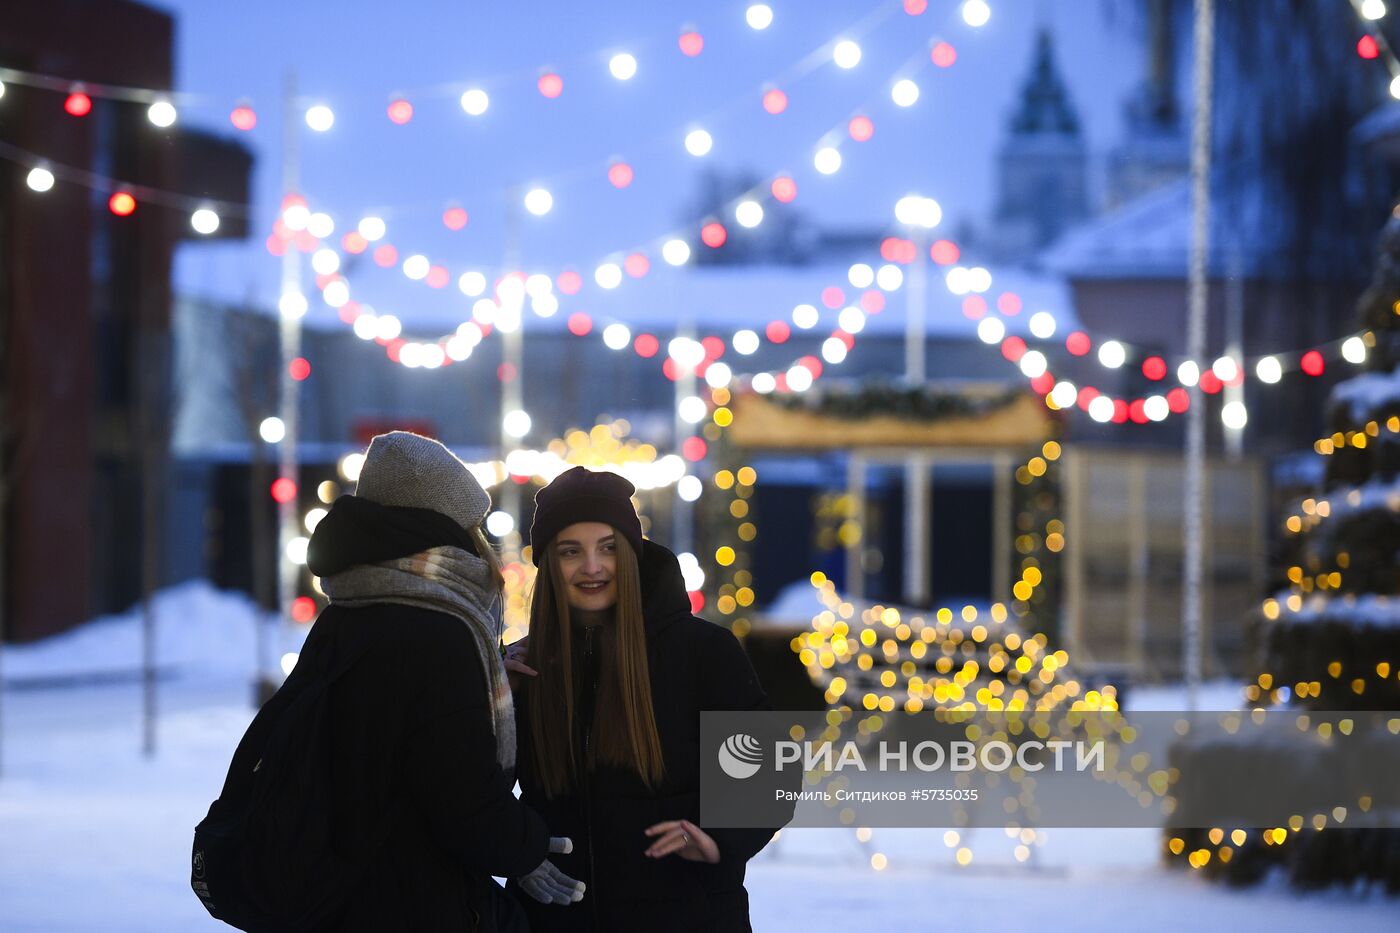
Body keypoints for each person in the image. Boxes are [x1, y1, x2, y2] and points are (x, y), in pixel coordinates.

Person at [292, 431, 583, 931]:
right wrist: (526, 848)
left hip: (344, 891)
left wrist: (487, 688)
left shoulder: (347, 611)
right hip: (411, 896)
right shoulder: (437, 632)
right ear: (442, 527)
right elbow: (461, 794)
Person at [504, 466, 783, 932]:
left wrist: (717, 836)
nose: (592, 567)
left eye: (608, 548)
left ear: (633, 554)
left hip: (688, 915)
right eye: (571, 551)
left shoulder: (703, 651)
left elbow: (767, 769)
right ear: (549, 565)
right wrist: (495, 702)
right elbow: (471, 793)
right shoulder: (527, 665)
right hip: (554, 919)